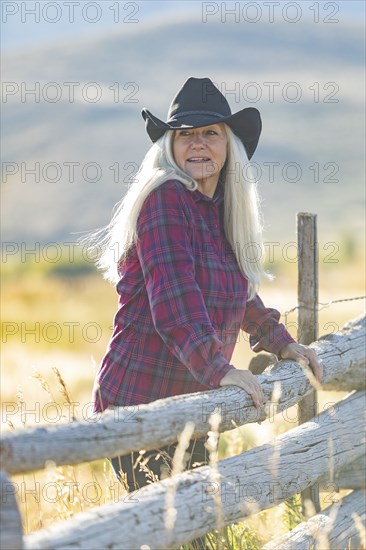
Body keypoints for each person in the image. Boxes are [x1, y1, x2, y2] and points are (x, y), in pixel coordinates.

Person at [89, 77, 322, 545]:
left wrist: (281, 342)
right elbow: (175, 299)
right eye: (186, 134)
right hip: (141, 406)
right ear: (170, 145)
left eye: (210, 132)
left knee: (195, 534)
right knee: (171, 535)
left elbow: (237, 292)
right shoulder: (166, 200)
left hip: (192, 407)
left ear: (228, 145)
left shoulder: (216, 211)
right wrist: (220, 369)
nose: (198, 143)